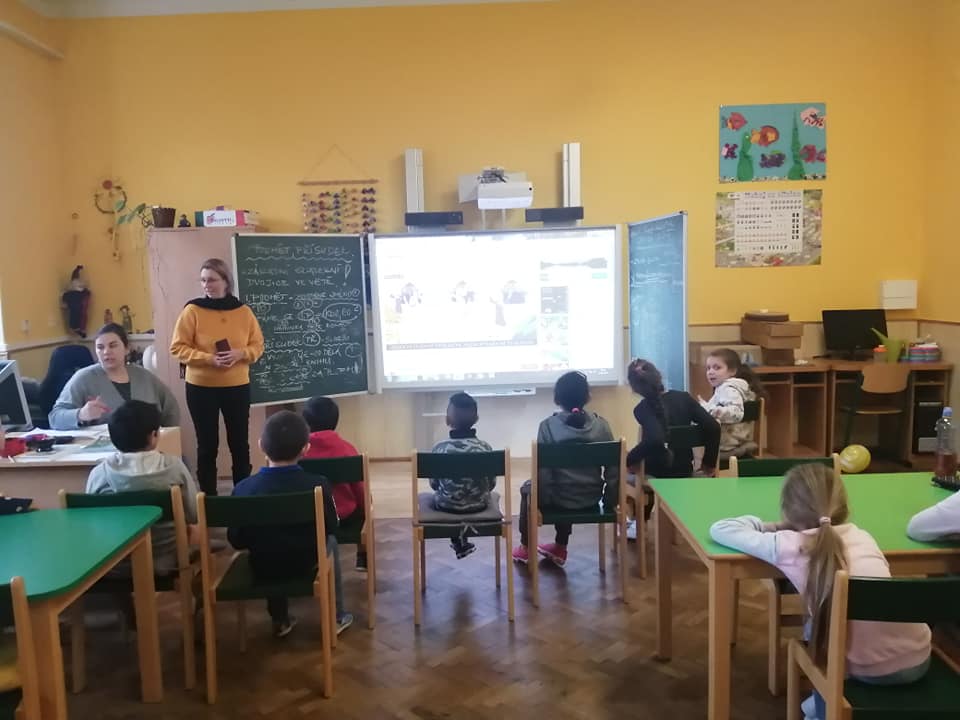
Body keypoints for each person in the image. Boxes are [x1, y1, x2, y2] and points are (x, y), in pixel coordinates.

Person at [710, 464, 931, 720]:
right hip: (917, 657)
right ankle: (817, 710)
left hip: (862, 669)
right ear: (842, 506)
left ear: (789, 511)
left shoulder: (789, 545)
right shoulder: (862, 536)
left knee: (818, 638)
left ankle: (820, 712)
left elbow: (722, 528)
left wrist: (775, 526)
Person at [229, 411, 352, 638]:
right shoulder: (319, 485)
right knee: (331, 542)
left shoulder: (243, 489)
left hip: (262, 566)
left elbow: (236, 539)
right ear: (306, 449)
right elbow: (331, 527)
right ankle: (336, 615)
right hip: (306, 563)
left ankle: (280, 619)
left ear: (261, 445)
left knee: (268, 540)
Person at [170, 258, 264, 496]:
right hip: (201, 387)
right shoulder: (192, 310)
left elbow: (258, 346)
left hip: (237, 386)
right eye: (203, 280)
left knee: (239, 443)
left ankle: (242, 494)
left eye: (211, 280)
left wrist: (241, 353)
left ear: (226, 281)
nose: (206, 285)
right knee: (207, 445)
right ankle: (208, 499)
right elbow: (177, 348)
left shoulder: (244, 312)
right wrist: (208, 359)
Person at [512, 371, 618, 567]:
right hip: (591, 499)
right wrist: (610, 502)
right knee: (567, 482)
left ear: (557, 398)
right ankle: (560, 546)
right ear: (587, 396)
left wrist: (542, 503)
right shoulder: (602, 426)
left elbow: (544, 474)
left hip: (558, 499)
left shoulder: (547, 426)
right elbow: (614, 472)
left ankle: (526, 547)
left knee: (529, 488)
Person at [86, 400, 197, 574]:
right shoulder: (174, 467)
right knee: (194, 529)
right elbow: (193, 513)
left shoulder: (99, 474)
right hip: (166, 555)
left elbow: (91, 522)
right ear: (153, 436)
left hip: (116, 561)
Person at [624, 359, 720, 539]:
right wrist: (709, 462)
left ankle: (639, 523)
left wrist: (628, 460)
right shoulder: (684, 398)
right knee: (645, 466)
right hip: (684, 469)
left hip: (657, 474)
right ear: (658, 376)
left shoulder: (642, 409)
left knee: (630, 474)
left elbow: (654, 439)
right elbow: (713, 427)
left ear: (634, 388)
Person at [49, 323, 180, 430]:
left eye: (113, 345)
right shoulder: (83, 379)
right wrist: (80, 414)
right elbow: (55, 418)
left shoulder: (145, 377)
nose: (106, 352)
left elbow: (171, 410)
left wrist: (167, 439)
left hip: (149, 449)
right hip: (105, 451)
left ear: (127, 348)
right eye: (100, 347)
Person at [302, 396, 367, 571]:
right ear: (335, 421)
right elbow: (360, 490)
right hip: (344, 517)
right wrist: (367, 506)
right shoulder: (347, 449)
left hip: (310, 518)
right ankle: (363, 555)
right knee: (363, 506)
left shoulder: (298, 452)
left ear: (305, 423)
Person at [429, 392, 496, 559]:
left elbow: (434, 484)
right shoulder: (485, 448)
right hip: (479, 505)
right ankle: (460, 540)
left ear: (447, 420)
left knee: (446, 497)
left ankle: (458, 539)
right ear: (477, 418)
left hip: (446, 506)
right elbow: (491, 484)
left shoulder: (439, 449)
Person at [699, 348, 765, 461]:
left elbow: (736, 413)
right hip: (739, 441)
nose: (710, 372)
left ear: (732, 371)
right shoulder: (729, 388)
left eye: (717, 368)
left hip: (728, 447)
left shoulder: (729, 389)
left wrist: (714, 411)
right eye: (708, 368)